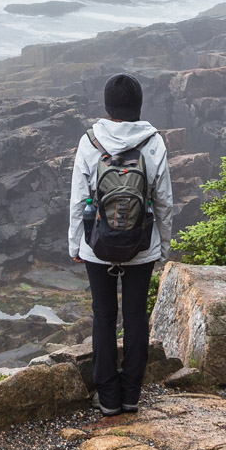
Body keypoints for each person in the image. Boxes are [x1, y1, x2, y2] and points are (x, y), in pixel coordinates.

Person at [67, 73, 174, 416]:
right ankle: (131, 396)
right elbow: (164, 203)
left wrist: (75, 244)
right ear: (138, 107)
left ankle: (108, 399)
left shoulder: (89, 141)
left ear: (107, 107)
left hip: (97, 244)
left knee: (103, 316)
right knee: (135, 316)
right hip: (141, 245)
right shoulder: (153, 143)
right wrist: (164, 248)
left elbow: (78, 199)